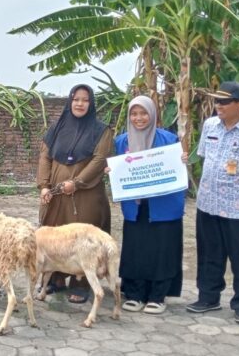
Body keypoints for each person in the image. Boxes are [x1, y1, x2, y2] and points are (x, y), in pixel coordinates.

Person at [186, 81, 239, 325]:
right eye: (216, 100)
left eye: (224, 101)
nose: (218, 105)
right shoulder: (210, 125)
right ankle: (208, 297)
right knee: (209, 253)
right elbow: (204, 158)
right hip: (208, 203)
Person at [37, 83, 113, 303]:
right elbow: (45, 157)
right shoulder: (56, 128)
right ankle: (56, 279)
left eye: (85, 100)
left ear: (91, 103)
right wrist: (43, 185)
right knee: (56, 237)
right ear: (70, 101)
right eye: (76, 99)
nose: (80, 104)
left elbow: (100, 159)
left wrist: (77, 182)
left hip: (85, 194)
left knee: (83, 238)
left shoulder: (101, 130)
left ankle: (81, 283)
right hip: (56, 194)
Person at [113, 96, 187, 315]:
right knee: (135, 250)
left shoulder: (168, 139)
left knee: (162, 250)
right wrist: (113, 171)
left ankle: (157, 296)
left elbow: (176, 170)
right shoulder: (121, 142)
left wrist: (181, 160)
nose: (139, 118)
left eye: (143, 113)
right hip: (135, 208)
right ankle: (134, 294)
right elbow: (119, 168)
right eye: (134, 114)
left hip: (163, 207)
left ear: (153, 114)